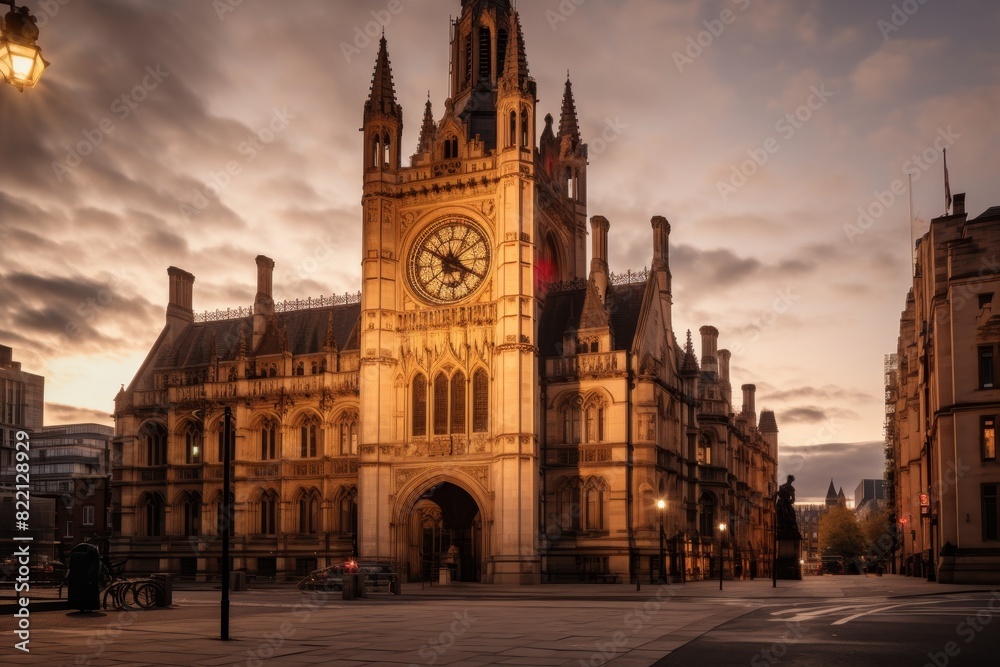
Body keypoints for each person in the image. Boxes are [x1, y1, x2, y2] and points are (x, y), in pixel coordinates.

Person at [65, 543, 101, 612]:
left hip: (76, 578)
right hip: (87, 577)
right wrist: (91, 576)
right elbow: (94, 567)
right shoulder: (92, 551)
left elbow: (70, 568)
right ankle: (89, 606)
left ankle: (79, 606)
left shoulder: (75, 552)